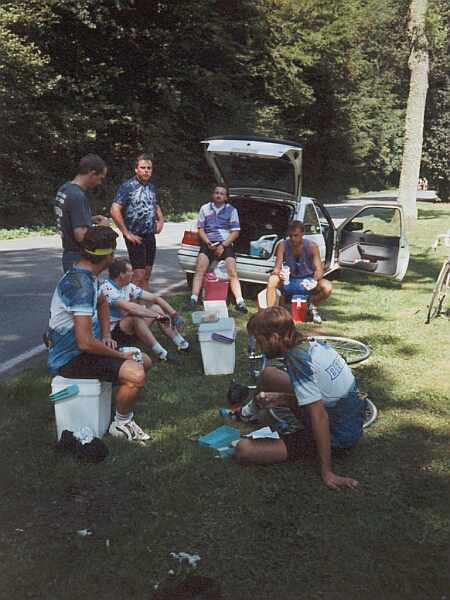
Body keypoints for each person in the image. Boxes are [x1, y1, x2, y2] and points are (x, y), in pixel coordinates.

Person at [235, 307, 364, 490]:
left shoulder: (299, 360)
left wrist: (327, 472)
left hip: (339, 433)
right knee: (269, 374)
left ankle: (324, 456)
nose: (258, 347)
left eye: (259, 340)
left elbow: (320, 416)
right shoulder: (307, 342)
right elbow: (320, 394)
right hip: (347, 412)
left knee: (244, 450)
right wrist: (283, 399)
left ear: (273, 338)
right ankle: (249, 413)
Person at [47, 226, 152, 442]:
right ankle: (121, 423)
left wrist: (107, 335)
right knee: (136, 373)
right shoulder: (81, 286)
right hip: (70, 358)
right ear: (107, 257)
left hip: (87, 350)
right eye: (113, 252)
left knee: (145, 360)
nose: (114, 257)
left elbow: (103, 300)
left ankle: (112, 396)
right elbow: (84, 343)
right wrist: (121, 356)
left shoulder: (88, 274)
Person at [100, 258, 189, 366]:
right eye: (130, 271)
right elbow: (132, 308)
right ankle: (162, 354)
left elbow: (155, 298)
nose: (133, 273)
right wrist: (158, 317)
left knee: (156, 308)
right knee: (135, 316)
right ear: (121, 275)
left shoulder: (127, 285)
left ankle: (182, 345)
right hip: (112, 333)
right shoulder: (107, 289)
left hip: (126, 328)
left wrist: (174, 315)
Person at [189, 185, 247, 314]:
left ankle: (240, 301)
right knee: (200, 268)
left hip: (225, 243)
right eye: (216, 192)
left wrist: (223, 246)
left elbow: (235, 232)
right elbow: (200, 229)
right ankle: (193, 298)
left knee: (232, 271)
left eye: (222, 193)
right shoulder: (205, 208)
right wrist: (208, 243)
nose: (219, 195)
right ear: (213, 194)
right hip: (208, 242)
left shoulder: (232, 210)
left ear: (226, 197)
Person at [110, 154, 164, 290]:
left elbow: (154, 204)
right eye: (143, 168)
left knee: (147, 274)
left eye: (149, 168)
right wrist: (126, 233)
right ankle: (127, 306)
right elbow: (114, 209)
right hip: (135, 236)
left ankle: (142, 307)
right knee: (138, 274)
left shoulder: (151, 187)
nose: (146, 170)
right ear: (136, 169)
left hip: (149, 234)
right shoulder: (127, 186)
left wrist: (161, 220)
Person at [266, 220, 332, 324]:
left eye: (296, 235)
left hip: (307, 281)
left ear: (302, 234)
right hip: (289, 280)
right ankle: (270, 313)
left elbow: (319, 270)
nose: (293, 239)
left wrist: (314, 280)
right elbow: (277, 268)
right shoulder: (283, 245)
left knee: (327, 286)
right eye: (290, 236)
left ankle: (312, 305)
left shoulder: (312, 246)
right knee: (272, 280)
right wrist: (279, 274)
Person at [52, 154, 110, 272]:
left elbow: (68, 217)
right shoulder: (77, 196)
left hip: (68, 253)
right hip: (78, 257)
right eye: (100, 178)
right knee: (83, 290)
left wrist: (89, 218)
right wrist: (102, 228)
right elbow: (81, 235)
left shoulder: (65, 189)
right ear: (92, 174)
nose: (100, 182)